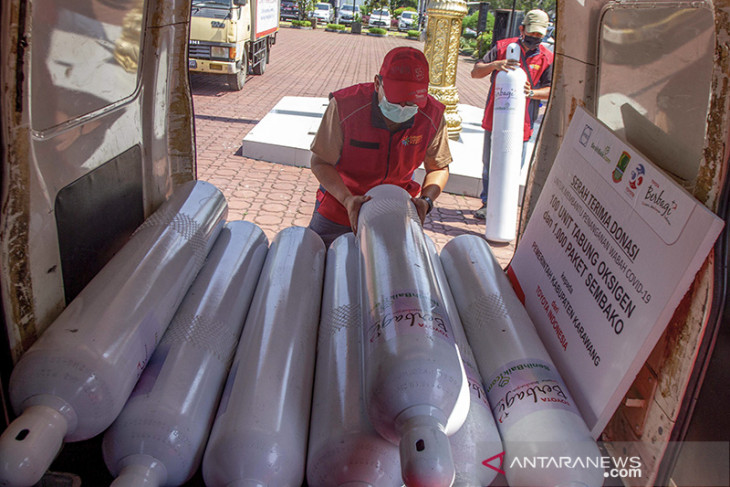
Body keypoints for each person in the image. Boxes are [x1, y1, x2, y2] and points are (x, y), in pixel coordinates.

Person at [308, 46, 452, 247]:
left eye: (411, 103)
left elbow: (438, 167)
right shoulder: (345, 107)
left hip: (394, 211)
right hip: (340, 206)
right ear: (377, 83)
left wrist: (426, 201)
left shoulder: (432, 115)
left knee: (387, 271)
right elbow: (320, 162)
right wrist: (348, 200)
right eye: (396, 100)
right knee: (318, 260)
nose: (402, 108)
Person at [471, 9, 554, 220]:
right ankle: (488, 203)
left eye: (539, 35)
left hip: (523, 124)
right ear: (522, 29)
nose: (535, 38)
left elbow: (552, 89)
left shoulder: (547, 58)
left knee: (513, 166)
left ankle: (504, 205)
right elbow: (475, 72)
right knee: (489, 163)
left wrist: (532, 93)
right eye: (531, 33)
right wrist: (495, 65)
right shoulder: (502, 48)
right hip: (494, 119)